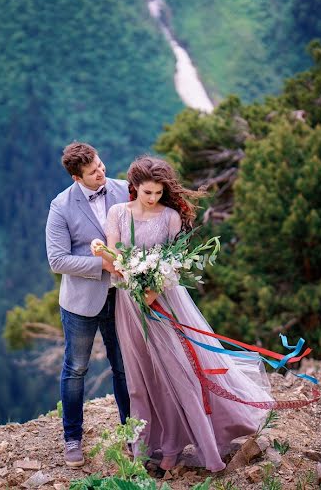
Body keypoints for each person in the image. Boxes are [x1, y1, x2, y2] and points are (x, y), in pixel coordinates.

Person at [94, 156, 273, 473]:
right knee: (140, 379)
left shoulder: (171, 217)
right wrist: (119, 268)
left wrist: (154, 287)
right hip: (129, 304)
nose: (153, 199)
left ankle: (178, 448)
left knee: (178, 372)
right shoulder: (117, 213)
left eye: (158, 193)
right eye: (147, 192)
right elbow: (114, 258)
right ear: (134, 187)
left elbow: (175, 262)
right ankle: (144, 448)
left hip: (166, 303)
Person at [45, 142, 131, 467]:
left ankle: (131, 434)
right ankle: (72, 439)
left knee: (124, 367)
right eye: (93, 171)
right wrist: (101, 266)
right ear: (76, 176)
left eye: (100, 164)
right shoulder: (60, 206)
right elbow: (57, 260)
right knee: (76, 369)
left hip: (122, 296)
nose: (101, 172)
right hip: (80, 303)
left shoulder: (124, 190)